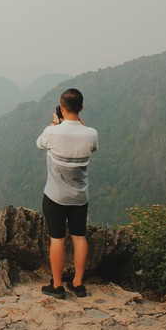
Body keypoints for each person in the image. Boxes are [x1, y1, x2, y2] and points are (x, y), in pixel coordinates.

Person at [36, 88, 98, 299]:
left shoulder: (52, 132)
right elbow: (93, 147)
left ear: (61, 108)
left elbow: (40, 144)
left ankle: (57, 285)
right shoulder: (91, 133)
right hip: (80, 197)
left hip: (55, 196)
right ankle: (78, 284)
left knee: (57, 239)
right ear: (81, 108)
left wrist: (55, 123)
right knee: (79, 237)